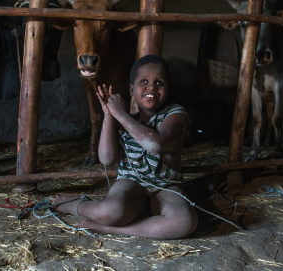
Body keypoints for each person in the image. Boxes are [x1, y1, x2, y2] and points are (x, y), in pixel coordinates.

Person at [52, 54, 198, 239]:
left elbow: (155, 145)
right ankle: (76, 205)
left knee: (184, 221)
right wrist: (109, 115)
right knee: (110, 211)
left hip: (165, 187)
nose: (151, 86)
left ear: (167, 89)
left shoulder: (175, 114)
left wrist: (121, 114)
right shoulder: (126, 120)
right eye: (143, 81)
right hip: (131, 183)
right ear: (131, 89)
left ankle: (113, 230)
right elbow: (107, 159)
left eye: (159, 83)